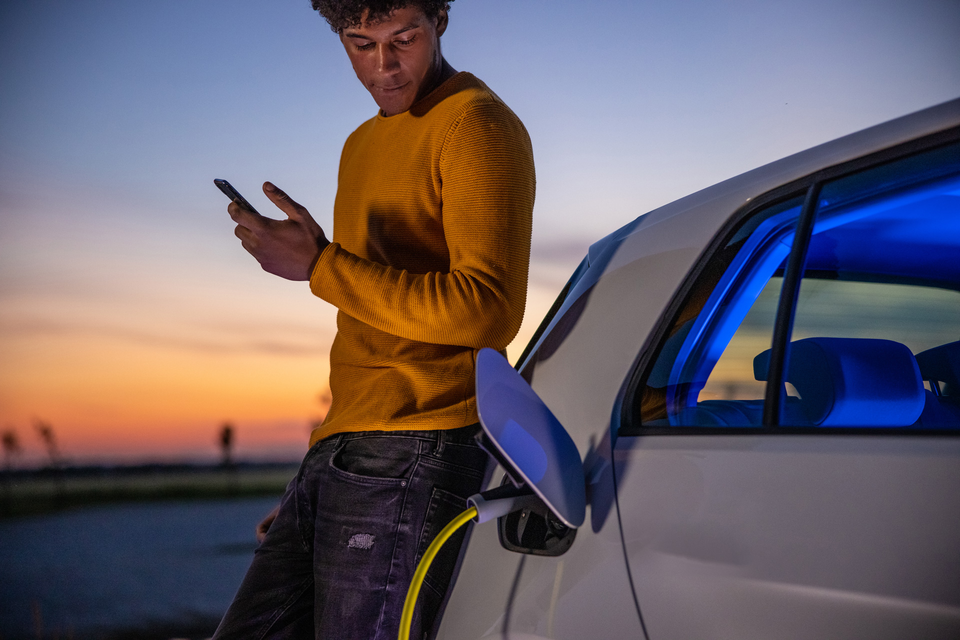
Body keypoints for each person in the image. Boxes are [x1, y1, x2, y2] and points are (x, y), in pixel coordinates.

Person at [213, 0, 535, 638]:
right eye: (361, 44)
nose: (383, 66)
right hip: (349, 450)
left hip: (419, 448)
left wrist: (319, 267)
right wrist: (321, 469)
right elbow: (365, 328)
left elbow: (488, 310)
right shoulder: (360, 144)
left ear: (440, 19)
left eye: (403, 39)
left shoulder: (475, 122)